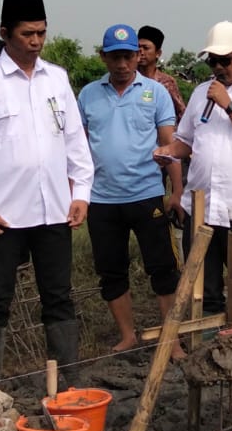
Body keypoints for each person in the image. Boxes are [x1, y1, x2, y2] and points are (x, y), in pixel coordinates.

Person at [0, 0, 93, 383]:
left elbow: (75, 141)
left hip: (54, 210)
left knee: (58, 296)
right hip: (4, 214)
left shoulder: (56, 78)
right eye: (27, 33)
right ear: (5, 33)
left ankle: (68, 382)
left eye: (41, 33)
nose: (36, 41)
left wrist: (81, 193)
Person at [153, 21, 232, 315]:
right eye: (213, 61)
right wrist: (168, 152)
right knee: (205, 287)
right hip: (203, 206)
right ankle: (207, 340)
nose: (218, 68)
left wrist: (229, 105)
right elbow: (186, 141)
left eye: (225, 60)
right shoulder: (202, 92)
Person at [78, 23, 184, 352]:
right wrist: (75, 195)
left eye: (128, 56)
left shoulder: (156, 92)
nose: (122, 64)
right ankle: (127, 335)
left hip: (147, 194)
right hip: (102, 199)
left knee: (163, 268)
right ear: (103, 57)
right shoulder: (88, 94)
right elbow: (77, 149)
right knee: (111, 271)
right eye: (115, 57)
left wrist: (177, 191)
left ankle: (171, 340)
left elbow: (170, 144)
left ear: (138, 56)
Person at [137, 25, 186, 119]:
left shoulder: (166, 82)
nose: (141, 52)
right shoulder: (129, 79)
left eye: (146, 48)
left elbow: (181, 113)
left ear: (158, 53)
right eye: (138, 47)